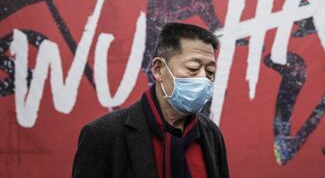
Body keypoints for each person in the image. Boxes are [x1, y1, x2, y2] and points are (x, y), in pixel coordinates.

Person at [72, 23, 229, 178]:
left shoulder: (210, 134)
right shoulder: (103, 134)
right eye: (193, 68)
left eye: (210, 72)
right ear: (158, 69)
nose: (203, 79)